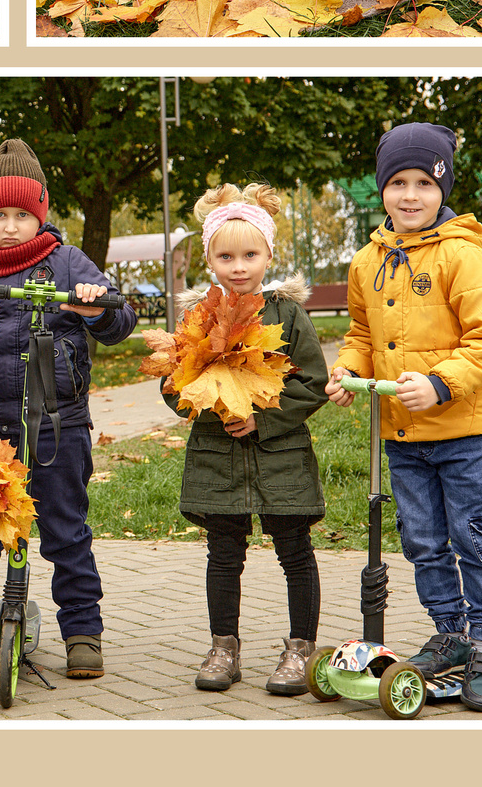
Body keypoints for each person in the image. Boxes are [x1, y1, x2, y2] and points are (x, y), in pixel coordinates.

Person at [328, 122, 482, 709]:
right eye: (397, 183)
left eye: (424, 183)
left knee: (475, 539)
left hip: (463, 432)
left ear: (443, 187)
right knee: (425, 543)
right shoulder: (367, 261)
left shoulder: (463, 256)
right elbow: (362, 333)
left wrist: (439, 384)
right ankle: (450, 633)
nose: (410, 195)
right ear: (381, 188)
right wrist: (347, 371)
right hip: (402, 437)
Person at [0, 142, 134, 681]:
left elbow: (122, 322)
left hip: (60, 424)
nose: (9, 226)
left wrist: (96, 306)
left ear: (40, 214)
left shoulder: (69, 261)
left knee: (67, 530)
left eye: (22, 214)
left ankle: (83, 633)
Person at [159, 184, 328, 693]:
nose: (238, 266)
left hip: (280, 454)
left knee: (294, 549)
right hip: (218, 454)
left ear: (269, 255)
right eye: (226, 255)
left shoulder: (287, 314)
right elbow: (175, 383)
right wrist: (210, 400)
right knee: (223, 553)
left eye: (250, 255)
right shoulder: (196, 318)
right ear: (209, 258)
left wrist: (262, 417)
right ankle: (223, 647)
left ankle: (301, 647)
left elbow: (312, 382)